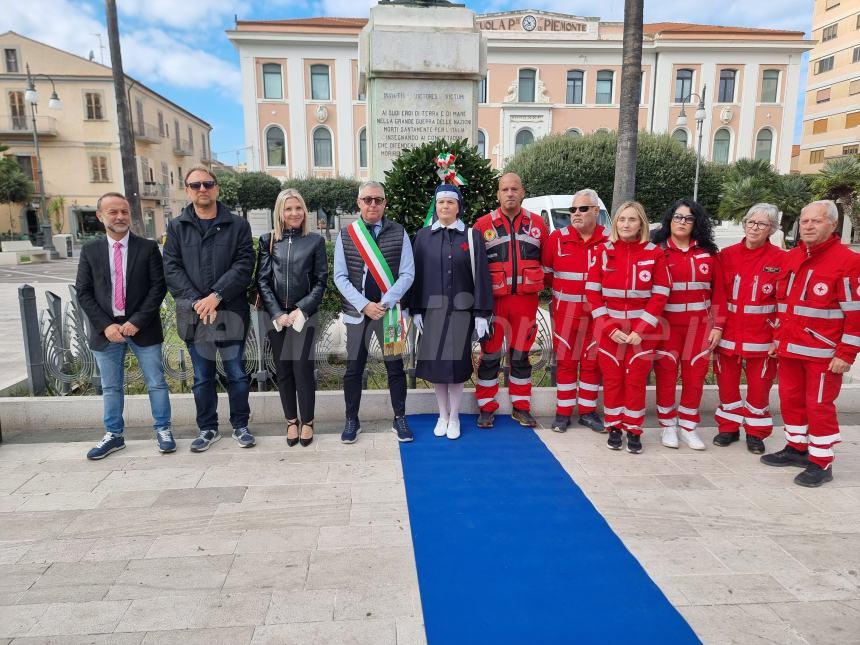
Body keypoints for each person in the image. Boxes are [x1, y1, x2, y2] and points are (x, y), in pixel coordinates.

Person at [761, 200, 860, 487]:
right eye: (805, 221)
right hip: (790, 349)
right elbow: (783, 305)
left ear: (832, 224)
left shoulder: (848, 262)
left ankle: (821, 461)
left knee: (818, 406)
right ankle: (796, 447)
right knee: (790, 401)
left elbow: (855, 314)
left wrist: (847, 354)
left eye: (816, 221)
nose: (808, 226)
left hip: (824, 354)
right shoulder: (791, 258)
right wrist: (777, 339)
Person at [163, 165, 256, 452]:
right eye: (195, 185)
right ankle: (208, 429)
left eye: (207, 183)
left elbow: (244, 265)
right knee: (202, 378)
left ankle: (240, 426)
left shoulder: (237, 225)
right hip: (194, 316)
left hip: (230, 312)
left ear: (216, 188)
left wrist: (216, 295)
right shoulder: (177, 227)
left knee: (236, 374)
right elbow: (172, 268)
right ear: (187, 190)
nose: (202, 189)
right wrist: (197, 301)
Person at [76, 192, 173, 459]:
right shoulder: (90, 251)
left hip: (143, 328)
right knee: (111, 386)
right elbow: (83, 291)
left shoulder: (147, 247)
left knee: (156, 382)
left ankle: (163, 430)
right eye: (113, 212)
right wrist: (106, 325)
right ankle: (114, 435)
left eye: (125, 212)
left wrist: (136, 321)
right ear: (100, 216)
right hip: (106, 332)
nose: (120, 217)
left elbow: (158, 287)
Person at [410, 184, 494, 439]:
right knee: (437, 368)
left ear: (459, 207)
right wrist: (414, 309)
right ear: (435, 206)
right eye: (440, 203)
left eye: (450, 202)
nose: (445, 207)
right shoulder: (423, 236)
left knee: (456, 367)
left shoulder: (471, 236)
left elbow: (481, 274)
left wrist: (481, 312)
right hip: (432, 312)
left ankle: (455, 417)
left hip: (461, 312)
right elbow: (416, 275)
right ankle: (442, 415)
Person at [334, 180, 415, 444]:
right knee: (353, 369)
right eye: (367, 199)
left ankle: (399, 417)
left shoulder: (399, 232)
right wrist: (364, 304)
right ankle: (351, 419)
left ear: (384, 203)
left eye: (378, 200)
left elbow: (407, 273)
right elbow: (340, 277)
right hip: (357, 314)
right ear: (359, 202)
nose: (372, 204)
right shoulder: (347, 234)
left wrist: (386, 302)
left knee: (395, 367)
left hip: (389, 313)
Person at [585, 201, 670, 454]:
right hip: (609, 330)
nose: (625, 224)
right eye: (621, 219)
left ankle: (634, 429)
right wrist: (609, 328)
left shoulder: (655, 253)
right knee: (612, 380)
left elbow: (660, 295)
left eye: (632, 220)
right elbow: (593, 293)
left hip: (641, 333)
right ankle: (614, 427)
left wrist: (640, 330)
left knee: (635, 381)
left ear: (641, 223)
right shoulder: (602, 251)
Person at [473, 173, 550, 428]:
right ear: (498, 194)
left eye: (514, 188)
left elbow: (548, 264)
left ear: (523, 191)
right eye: (504, 189)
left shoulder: (539, 225)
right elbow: (473, 268)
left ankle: (521, 407)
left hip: (526, 302)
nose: (509, 193)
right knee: (490, 356)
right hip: (495, 303)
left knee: (520, 356)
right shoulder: (482, 225)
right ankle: (486, 407)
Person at [651, 199, 725, 451]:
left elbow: (719, 294)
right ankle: (668, 426)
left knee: (694, 377)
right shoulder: (657, 250)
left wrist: (718, 326)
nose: (682, 222)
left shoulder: (708, 253)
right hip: (666, 326)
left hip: (699, 327)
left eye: (688, 218)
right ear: (669, 221)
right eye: (677, 217)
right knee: (666, 375)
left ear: (697, 223)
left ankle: (688, 426)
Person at [256, 189, 328, 447]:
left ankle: (307, 421)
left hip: (303, 316)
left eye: (298, 208)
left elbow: (321, 281)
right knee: (283, 369)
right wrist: (277, 312)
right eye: (288, 209)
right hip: (276, 316)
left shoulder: (315, 241)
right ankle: (291, 422)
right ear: (280, 212)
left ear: (304, 211)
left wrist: (302, 309)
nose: (294, 213)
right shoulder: (267, 241)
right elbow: (262, 281)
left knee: (302, 368)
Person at [713, 203, 785, 454]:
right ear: (744, 224)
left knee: (759, 387)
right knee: (727, 385)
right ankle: (728, 428)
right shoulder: (727, 255)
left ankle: (755, 433)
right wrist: (717, 327)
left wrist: (778, 337)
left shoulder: (780, 259)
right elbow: (718, 296)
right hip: (729, 335)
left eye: (762, 224)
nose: (755, 228)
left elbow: (783, 303)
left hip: (762, 338)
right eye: (751, 222)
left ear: (772, 229)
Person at [542, 188, 608, 434]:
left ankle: (588, 412)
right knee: (566, 362)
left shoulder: (609, 240)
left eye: (582, 209)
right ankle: (563, 412)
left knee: (592, 363)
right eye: (572, 210)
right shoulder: (557, 239)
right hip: (565, 314)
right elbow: (547, 275)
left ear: (596, 211)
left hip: (597, 316)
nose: (576, 214)